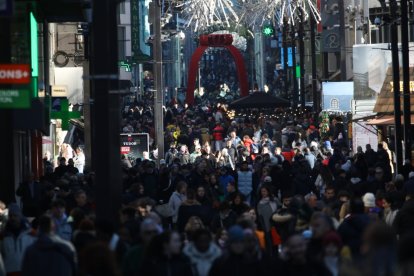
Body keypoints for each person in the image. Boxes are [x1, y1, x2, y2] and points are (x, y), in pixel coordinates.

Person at [0, 204, 36, 275]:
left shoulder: (31, 234)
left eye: (15, 215)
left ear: (20, 216)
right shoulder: (3, 236)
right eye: (10, 216)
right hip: (9, 272)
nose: (13, 218)